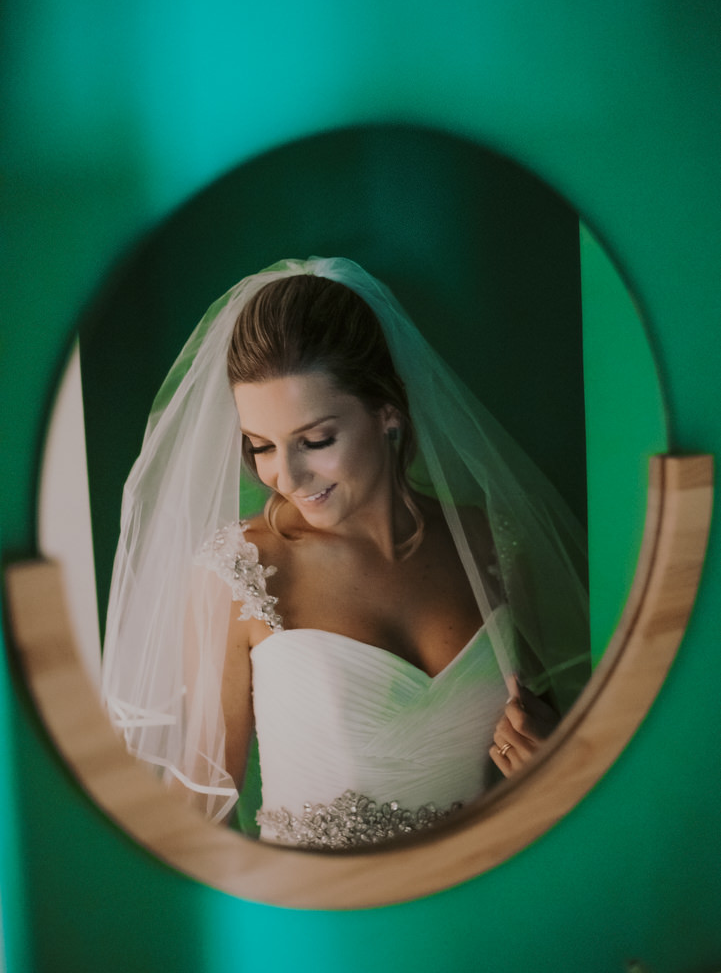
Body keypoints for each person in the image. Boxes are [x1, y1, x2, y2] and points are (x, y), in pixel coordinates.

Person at [101, 257, 589, 849]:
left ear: (388, 414)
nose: (286, 475)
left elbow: (552, 753)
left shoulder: (490, 542)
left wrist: (548, 752)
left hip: (483, 906)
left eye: (316, 440)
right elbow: (198, 813)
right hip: (319, 927)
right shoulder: (238, 573)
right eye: (260, 446)